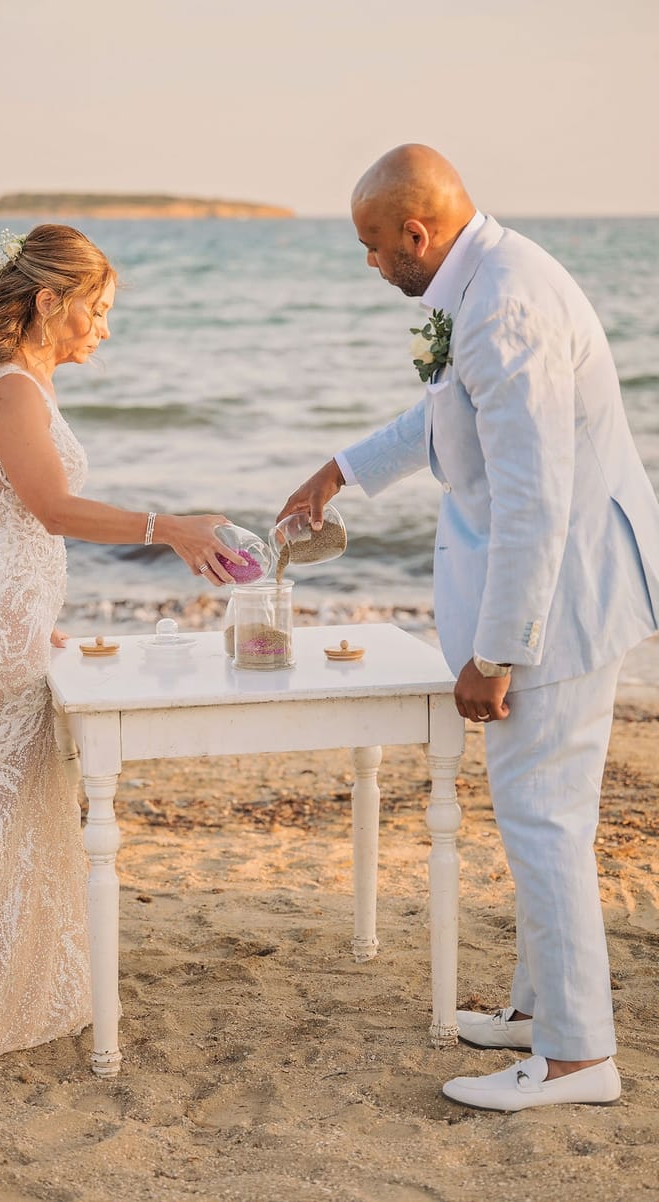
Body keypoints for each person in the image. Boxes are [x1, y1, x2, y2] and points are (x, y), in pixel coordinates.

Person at [277, 144, 659, 1111]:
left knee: (546, 824)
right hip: (566, 584)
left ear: (418, 232)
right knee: (543, 816)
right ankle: (541, 1014)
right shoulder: (481, 280)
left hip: (562, 598)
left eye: (373, 246)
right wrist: (341, 469)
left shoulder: (504, 306)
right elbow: (443, 413)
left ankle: (577, 1059)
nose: (370, 264)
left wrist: (497, 651)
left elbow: (535, 497)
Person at [0, 224, 244, 1094]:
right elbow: (52, 510)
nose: (103, 330)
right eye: (96, 310)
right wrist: (169, 527)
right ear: (49, 301)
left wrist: (33, 618)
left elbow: (13, 520)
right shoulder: (11, 392)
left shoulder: (18, 384)